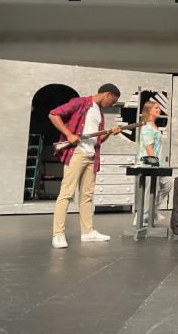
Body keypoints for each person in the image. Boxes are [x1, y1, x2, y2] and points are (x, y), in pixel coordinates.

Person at [49, 84, 122, 248]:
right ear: (107, 94)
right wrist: (68, 134)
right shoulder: (80, 103)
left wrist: (109, 133)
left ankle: (87, 232)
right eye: (113, 100)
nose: (112, 104)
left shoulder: (100, 114)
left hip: (91, 156)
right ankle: (58, 234)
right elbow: (54, 114)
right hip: (77, 153)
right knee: (66, 194)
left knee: (87, 196)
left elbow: (97, 140)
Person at [133, 101, 174, 226]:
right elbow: (148, 148)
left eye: (159, 108)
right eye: (156, 108)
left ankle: (152, 210)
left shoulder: (154, 126)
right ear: (149, 111)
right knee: (149, 190)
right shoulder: (147, 127)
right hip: (148, 164)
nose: (158, 110)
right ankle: (141, 216)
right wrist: (156, 164)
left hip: (155, 163)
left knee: (168, 183)